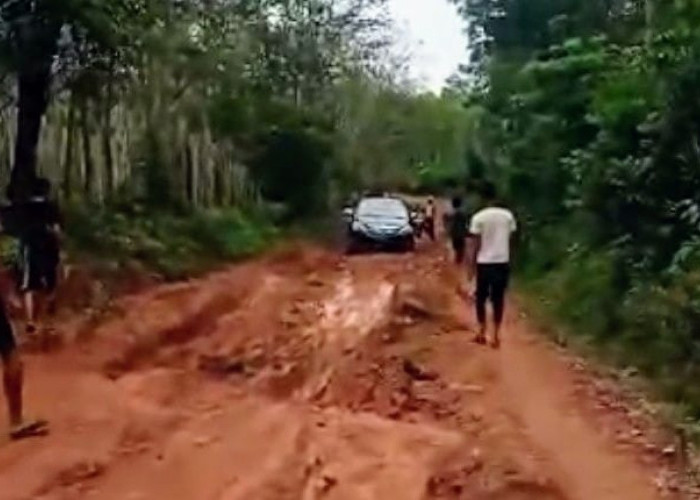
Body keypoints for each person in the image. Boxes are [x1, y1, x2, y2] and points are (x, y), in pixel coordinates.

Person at [468, 182, 517, 349]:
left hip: (484, 263)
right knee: (498, 299)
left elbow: (475, 244)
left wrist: (471, 267)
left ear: (482, 198)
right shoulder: (507, 216)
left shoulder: (478, 217)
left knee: (480, 299)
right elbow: (511, 241)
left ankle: (481, 331)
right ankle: (496, 335)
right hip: (502, 262)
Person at [18, 178, 62, 336]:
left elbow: (17, 228)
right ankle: (49, 323)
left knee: (29, 287)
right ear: (47, 191)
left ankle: (30, 321)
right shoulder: (51, 207)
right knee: (51, 284)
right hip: (49, 248)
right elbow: (57, 230)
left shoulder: (24, 207)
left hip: (30, 248)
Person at [446, 196, 469, 264]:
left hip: (453, 232)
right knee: (461, 248)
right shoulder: (463, 213)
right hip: (461, 233)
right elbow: (466, 223)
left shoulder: (449, 213)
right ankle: (458, 261)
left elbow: (447, 223)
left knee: (454, 247)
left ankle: (454, 262)